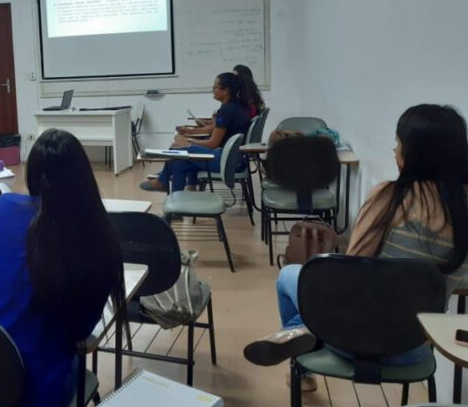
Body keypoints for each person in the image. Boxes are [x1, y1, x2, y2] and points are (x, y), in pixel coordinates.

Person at [243, 104, 468, 390]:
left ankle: (304, 352)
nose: (394, 151)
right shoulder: (462, 212)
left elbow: (350, 273)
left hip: (348, 340)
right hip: (413, 349)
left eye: (398, 143)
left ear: (412, 153)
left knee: (290, 276)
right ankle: (305, 329)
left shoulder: (390, 198)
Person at [0, 128, 121, 407]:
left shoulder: (2, 209)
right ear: (83, 177)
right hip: (27, 394)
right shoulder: (94, 236)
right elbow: (81, 332)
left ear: (32, 171)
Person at [141, 72, 251, 192]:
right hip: (233, 160)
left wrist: (188, 141)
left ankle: (163, 181)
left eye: (215, 87)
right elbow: (213, 130)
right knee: (180, 161)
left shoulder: (226, 111)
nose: (212, 90)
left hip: (227, 162)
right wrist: (189, 135)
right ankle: (181, 195)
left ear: (225, 91)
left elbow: (213, 143)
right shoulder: (234, 107)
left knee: (177, 150)